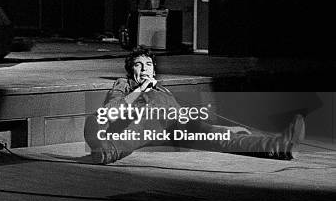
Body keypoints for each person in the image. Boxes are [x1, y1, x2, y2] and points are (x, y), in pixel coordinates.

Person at [84, 46, 306, 164]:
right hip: (143, 121)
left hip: (175, 127)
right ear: (130, 70)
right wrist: (140, 90)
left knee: (228, 138)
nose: (144, 69)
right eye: (138, 65)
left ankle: (281, 147)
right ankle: (104, 151)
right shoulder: (125, 84)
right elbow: (112, 111)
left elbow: (185, 119)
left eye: (148, 65)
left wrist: (220, 130)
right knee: (112, 132)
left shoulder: (162, 89)